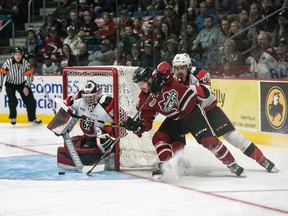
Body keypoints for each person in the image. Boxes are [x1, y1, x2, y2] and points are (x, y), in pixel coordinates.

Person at [121, 64, 245, 181]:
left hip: (191, 111)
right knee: (158, 138)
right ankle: (167, 164)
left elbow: (165, 66)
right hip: (176, 119)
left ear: (148, 78)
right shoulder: (144, 99)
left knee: (208, 140)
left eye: (142, 82)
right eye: (138, 84)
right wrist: (137, 126)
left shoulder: (163, 78)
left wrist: (159, 78)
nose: (141, 87)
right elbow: (146, 123)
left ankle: (231, 163)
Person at [171, 53, 279, 172]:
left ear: (188, 66)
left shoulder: (200, 74)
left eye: (182, 67)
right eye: (176, 68)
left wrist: (184, 88)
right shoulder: (172, 79)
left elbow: (205, 93)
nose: (179, 71)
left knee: (233, 136)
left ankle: (262, 160)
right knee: (174, 133)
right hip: (189, 115)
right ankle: (178, 161)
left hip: (209, 110)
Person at [47, 80, 116, 169]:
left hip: (103, 137)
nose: (88, 100)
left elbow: (121, 117)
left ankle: (109, 157)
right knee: (70, 143)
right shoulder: (79, 100)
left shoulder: (106, 103)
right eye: (86, 97)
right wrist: (60, 124)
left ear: (98, 95)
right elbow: (69, 109)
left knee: (96, 144)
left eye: (91, 97)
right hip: (88, 136)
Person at [0, 47, 42, 125]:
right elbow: (1, 73)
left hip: (22, 84)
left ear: (22, 55)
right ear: (13, 55)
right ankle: (13, 117)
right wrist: (0, 85)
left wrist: (26, 86)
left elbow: (30, 76)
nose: (18, 56)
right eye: (16, 54)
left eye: (19, 54)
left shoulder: (25, 63)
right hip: (10, 84)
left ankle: (32, 118)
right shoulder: (8, 62)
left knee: (31, 101)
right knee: (13, 101)